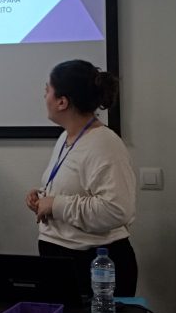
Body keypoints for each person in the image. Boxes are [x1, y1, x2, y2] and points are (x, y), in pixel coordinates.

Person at [25, 60, 138, 296]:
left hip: (94, 264)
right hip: (61, 257)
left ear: (62, 102)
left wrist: (55, 205)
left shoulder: (105, 143)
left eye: (48, 90)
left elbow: (117, 209)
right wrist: (43, 197)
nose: (44, 97)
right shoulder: (66, 138)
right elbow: (76, 189)